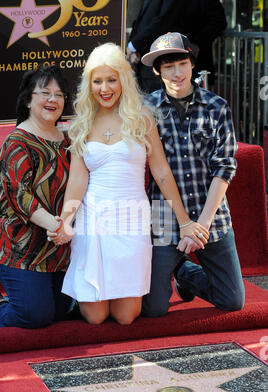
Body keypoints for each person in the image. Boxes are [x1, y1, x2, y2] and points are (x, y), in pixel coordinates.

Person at [48, 42, 209, 326]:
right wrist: (67, 220)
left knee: (125, 317)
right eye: (97, 81)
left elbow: (160, 171)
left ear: (123, 79)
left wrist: (184, 221)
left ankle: (174, 275)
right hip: (94, 219)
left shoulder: (141, 118)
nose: (105, 88)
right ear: (89, 85)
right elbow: (77, 179)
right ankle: (83, 294)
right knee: (96, 317)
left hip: (131, 219)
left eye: (112, 79)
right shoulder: (81, 125)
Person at [140, 32, 245, 317]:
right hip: (165, 215)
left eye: (182, 64)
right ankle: (178, 265)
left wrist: (202, 225)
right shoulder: (145, 109)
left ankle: (185, 273)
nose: (177, 73)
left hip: (211, 214)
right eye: (168, 66)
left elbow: (224, 167)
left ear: (192, 64)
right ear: (157, 71)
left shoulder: (217, 107)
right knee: (153, 309)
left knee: (232, 300)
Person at [0, 65, 74, 328]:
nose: (53, 99)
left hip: (56, 245)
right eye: (45, 93)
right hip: (18, 244)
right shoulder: (17, 141)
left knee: (63, 312)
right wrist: (56, 225)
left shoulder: (68, 139)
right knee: (36, 316)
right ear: (28, 100)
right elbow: (19, 195)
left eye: (59, 95)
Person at [126, 0, 227, 92]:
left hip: (185, 63)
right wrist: (134, 48)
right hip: (146, 64)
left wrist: (196, 44)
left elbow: (164, 20)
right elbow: (142, 22)